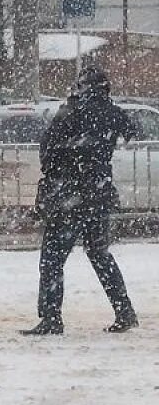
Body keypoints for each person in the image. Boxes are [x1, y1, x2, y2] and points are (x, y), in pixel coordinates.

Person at [22, 66, 140, 336]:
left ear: (81, 88)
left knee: (52, 258)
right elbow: (133, 130)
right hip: (98, 196)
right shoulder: (113, 113)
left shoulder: (71, 113)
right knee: (99, 253)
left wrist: (60, 172)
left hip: (69, 197)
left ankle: (51, 317)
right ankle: (124, 310)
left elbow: (47, 152)